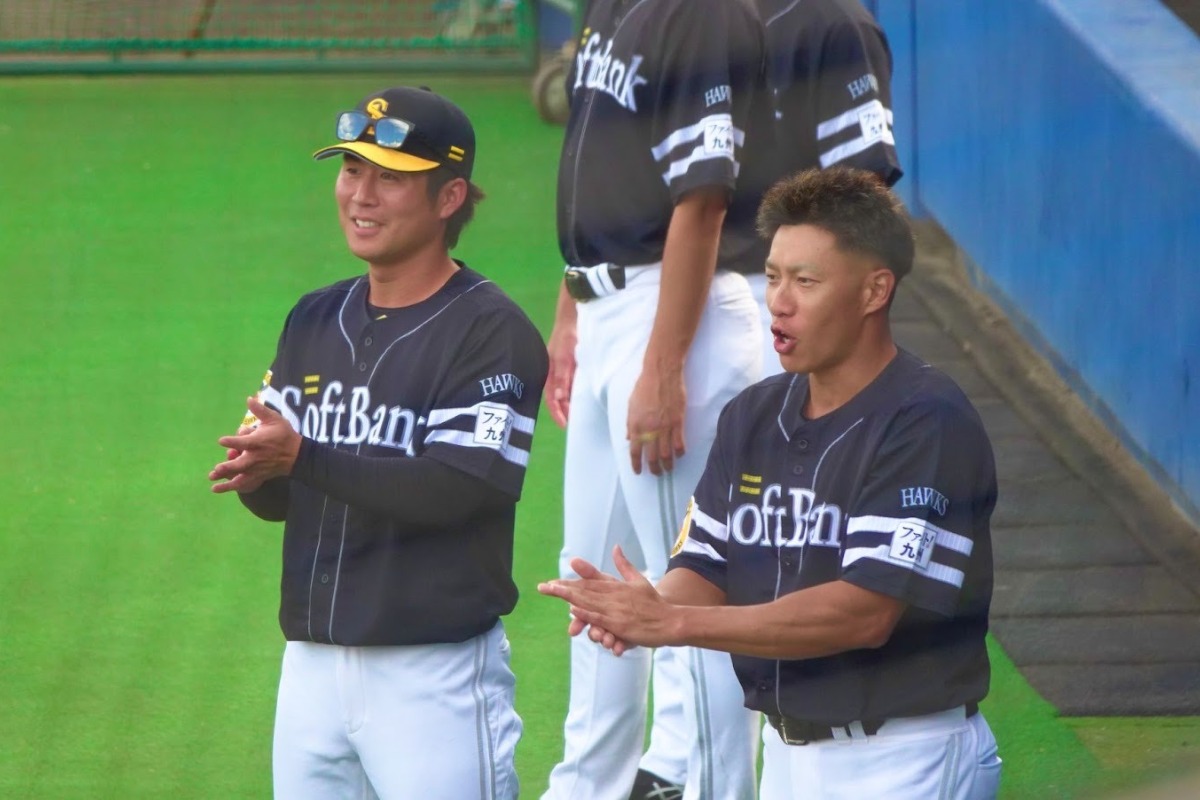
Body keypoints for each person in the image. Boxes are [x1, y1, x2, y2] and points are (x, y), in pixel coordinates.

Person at [540, 167, 1003, 800]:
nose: (778, 301)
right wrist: (648, 599)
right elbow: (707, 564)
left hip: (904, 757)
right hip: (787, 758)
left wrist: (672, 625)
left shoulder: (926, 423)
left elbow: (864, 612)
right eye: (775, 275)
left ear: (875, 291)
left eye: (806, 282)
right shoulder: (754, 415)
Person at [208, 85, 549, 800]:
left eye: (389, 177)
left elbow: (462, 487)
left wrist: (302, 457)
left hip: (434, 680)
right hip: (311, 672)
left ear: (449, 197)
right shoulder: (312, 317)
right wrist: (261, 470)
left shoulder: (491, 333)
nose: (360, 195)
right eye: (351, 170)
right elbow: (279, 500)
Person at [540, 0, 769, 798]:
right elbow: (596, 171)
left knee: (690, 599)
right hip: (609, 307)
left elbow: (702, 197)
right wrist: (572, 309)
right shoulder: (611, 5)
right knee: (593, 583)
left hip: (670, 315)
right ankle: (587, 787)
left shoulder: (698, 14)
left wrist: (664, 367)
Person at [747, 0, 903, 377]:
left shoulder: (837, 26)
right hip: (696, 290)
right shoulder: (705, 17)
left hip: (778, 297)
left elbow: (861, 190)